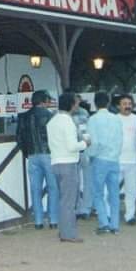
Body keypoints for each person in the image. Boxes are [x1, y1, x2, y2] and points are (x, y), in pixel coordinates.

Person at [47, 92, 87, 242]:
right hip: (68, 163)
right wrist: (84, 144)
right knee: (69, 201)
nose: (77, 105)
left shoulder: (53, 121)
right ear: (71, 104)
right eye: (76, 103)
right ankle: (68, 234)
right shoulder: (68, 121)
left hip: (55, 162)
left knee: (63, 199)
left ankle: (64, 230)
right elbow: (72, 146)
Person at [16, 90, 59, 229]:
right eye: (48, 100)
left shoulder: (23, 116)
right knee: (53, 187)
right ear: (44, 101)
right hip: (48, 154)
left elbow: (19, 138)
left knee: (35, 189)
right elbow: (55, 137)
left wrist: (27, 153)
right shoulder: (50, 116)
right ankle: (53, 220)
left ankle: (38, 221)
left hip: (32, 155)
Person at [85, 92, 122, 234]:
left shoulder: (93, 119)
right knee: (114, 193)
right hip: (114, 158)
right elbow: (120, 139)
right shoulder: (116, 119)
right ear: (109, 102)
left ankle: (103, 223)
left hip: (99, 159)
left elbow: (93, 142)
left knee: (98, 192)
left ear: (95, 103)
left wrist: (90, 155)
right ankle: (115, 224)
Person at [116, 94, 136, 225]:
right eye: (124, 103)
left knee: (131, 190)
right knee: (112, 189)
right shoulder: (114, 120)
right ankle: (111, 213)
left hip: (133, 160)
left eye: (129, 104)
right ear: (118, 106)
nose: (127, 106)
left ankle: (130, 215)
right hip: (117, 160)